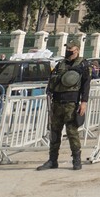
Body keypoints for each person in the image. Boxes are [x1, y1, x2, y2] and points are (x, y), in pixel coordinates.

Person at [37, 43, 90, 171]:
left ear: (76, 50)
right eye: (66, 49)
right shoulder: (60, 64)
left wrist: (84, 102)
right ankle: (52, 160)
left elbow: (86, 84)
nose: (67, 51)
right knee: (54, 132)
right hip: (57, 102)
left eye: (70, 50)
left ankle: (76, 160)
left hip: (71, 103)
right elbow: (52, 80)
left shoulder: (82, 65)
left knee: (72, 132)